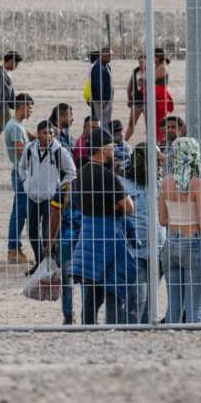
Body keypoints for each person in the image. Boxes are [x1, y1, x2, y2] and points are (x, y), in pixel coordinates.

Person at [70, 129, 138, 325]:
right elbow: (129, 207)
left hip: (87, 235)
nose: (114, 151)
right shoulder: (108, 176)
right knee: (114, 288)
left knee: (92, 294)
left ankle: (87, 329)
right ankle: (113, 327)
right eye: (112, 147)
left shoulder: (81, 174)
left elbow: (81, 205)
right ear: (104, 149)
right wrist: (116, 205)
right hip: (108, 236)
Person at [160, 137, 201, 324]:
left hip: (171, 243)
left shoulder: (165, 182)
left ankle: (170, 334)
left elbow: (163, 220)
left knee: (174, 305)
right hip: (194, 242)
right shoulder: (198, 184)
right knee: (195, 307)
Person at [17, 120, 77, 267]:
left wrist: (60, 188)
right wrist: (26, 183)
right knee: (32, 232)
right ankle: (40, 262)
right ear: (38, 134)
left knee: (47, 233)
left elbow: (71, 172)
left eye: (51, 133)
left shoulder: (59, 151)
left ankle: (49, 264)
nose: (49, 136)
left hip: (50, 199)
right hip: (32, 197)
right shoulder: (29, 149)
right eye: (45, 133)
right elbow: (22, 167)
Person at [121, 143, 167, 324]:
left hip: (159, 251)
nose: (160, 165)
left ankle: (146, 332)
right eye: (157, 162)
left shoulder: (160, 184)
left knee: (150, 303)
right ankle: (129, 332)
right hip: (135, 252)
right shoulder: (123, 184)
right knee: (136, 300)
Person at [45, 178, 82, 325]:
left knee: (68, 282)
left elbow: (55, 216)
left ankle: (68, 316)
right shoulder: (96, 186)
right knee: (88, 281)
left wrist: (49, 242)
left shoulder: (65, 188)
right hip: (87, 239)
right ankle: (88, 316)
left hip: (66, 242)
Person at [4, 93, 35, 265]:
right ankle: (13, 249)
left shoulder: (17, 125)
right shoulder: (15, 127)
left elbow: (29, 138)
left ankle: (15, 248)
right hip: (21, 174)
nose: (31, 111)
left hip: (20, 173)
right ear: (22, 107)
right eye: (30, 108)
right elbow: (20, 150)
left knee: (20, 211)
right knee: (19, 212)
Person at [89, 46, 114, 128]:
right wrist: (101, 99)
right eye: (109, 55)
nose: (111, 57)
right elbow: (97, 84)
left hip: (106, 100)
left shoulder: (106, 66)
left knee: (106, 121)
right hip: (101, 101)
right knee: (101, 122)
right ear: (103, 55)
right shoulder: (98, 67)